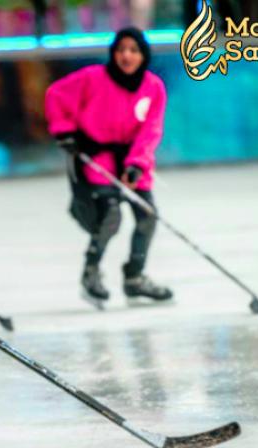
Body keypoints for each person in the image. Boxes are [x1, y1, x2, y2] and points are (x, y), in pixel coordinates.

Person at [44, 27, 172, 308]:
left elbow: (151, 130)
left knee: (147, 216)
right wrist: (64, 131)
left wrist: (137, 164)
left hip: (133, 160)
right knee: (109, 216)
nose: (127, 56)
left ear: (143, 55)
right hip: (97, 157)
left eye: (133, 50)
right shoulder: (92, 78)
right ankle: (91, 272)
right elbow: (55, 94)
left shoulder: (153, 87)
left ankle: (135, 276)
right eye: (121, 49)